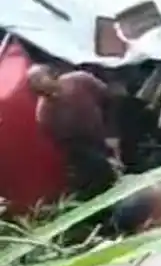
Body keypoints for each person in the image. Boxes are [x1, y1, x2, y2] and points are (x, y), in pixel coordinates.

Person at [27, 64, 121, 201]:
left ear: (52, 75)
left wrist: (113, 135)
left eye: (40, 79)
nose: (40, 86)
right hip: (89, 149)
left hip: (109, 129)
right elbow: (69, 146)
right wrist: (104, 158)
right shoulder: (44, 114)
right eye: (35, 86)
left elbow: (109, 102)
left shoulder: (80, 80)